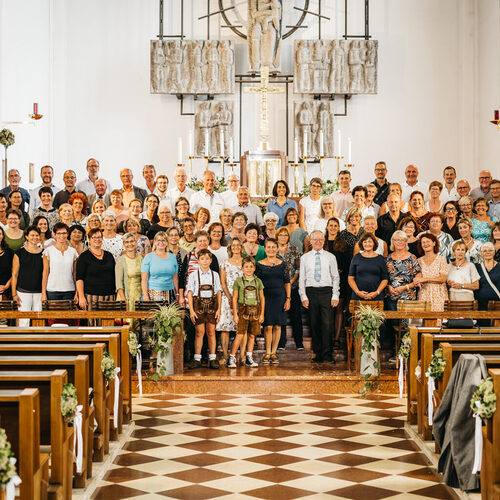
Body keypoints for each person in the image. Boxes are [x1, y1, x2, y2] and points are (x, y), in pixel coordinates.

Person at [299, 230, 340, 364]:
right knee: (314, 324)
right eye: (315, 239)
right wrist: (303, 296)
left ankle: (328, 354)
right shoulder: (305, 258)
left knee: (327, 324)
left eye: (320, 239)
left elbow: (335, 277)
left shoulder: (330, 257)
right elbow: (302, 278)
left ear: (324, 241)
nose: (318, 242)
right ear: (310, 241)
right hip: (311, 292)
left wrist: (335, 295)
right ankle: (317, 354)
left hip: (326, 292)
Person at [385, 230, 422, 350]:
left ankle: (405, 352)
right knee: (394, 325)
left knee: (406, 327)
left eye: (402, 240)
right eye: (397, 240)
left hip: (408, 297)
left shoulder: (412, 258)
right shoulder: (388, 258)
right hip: (392, 296)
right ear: (393, 242)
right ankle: (395, 352)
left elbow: (418, 277)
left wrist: (405, 287)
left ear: (406, 242)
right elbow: (384, 277)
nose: (399, 242)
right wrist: (389, 287)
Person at [256, 238, 290, 365]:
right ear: (265, 249)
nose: (271, 249)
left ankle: (274, 353)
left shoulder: (283, 264)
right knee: (268, 325)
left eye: (273, 247)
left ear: (277, 249)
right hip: (265, 298)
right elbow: (256, 284)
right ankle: (267, 352)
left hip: (280, 297)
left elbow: (287, 283)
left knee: (277, 325)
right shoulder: (259, 264)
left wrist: (288, 299)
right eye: (268, 247)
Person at [186, 249, 222, 370]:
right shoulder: (193, 275)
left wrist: (219, 309)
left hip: (212, 306)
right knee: (199, 332)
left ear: (211, 260)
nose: (205, 261)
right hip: (198, 306)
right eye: (202, 259)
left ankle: (212, 358)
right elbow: (190, 293)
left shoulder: (215, 275)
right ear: (198, 261)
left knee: (211, 332)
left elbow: (218, 293)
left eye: (207, 259)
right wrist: (191, 310)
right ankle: (197, 358)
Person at [228, 256, 264, 368]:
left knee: (252, 335)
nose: (249, 269)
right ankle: (232, 357)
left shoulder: (258, 281)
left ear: (254, 268)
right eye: (246, 267)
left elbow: (262, 298)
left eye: (251, 267)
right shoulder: (238, 282)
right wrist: (235, 313)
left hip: (255, 310)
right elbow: (234, 298)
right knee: (240, 335)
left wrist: (262, 314)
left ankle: (249, 357)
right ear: (242, 268)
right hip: (243, 309)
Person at [324, 217, 351, 346]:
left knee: (338, 309)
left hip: (340, 280)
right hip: (324, 281)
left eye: (335, 225)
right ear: (327, 227)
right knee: (327, 310)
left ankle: (336, 338)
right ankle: (327, 338)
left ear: (339, 228)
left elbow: (347, 263)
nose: (333, 228)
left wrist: (339, 271)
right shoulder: (322, 242)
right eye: (331, 225)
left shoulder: (343, 243)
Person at [276, 227, 303, 350]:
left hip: (292, 286)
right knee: (281, 316)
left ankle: (299, 343)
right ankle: (281, 343)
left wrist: (291, 281)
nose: (282, 237)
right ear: (277, 236)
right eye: (280, 235)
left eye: (285, 235)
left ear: (288, 237)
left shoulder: (294, 249)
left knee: (296, 316)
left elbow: (298, 268)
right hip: (278, 288)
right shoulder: (273, 249)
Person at [217, 238, 244, 364]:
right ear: (230, 248)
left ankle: (242, 355)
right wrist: (229, 297)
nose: (236, 247)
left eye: (238, 245)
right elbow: (222, 282)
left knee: (242, 327)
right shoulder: (225, 263)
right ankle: (225, 354)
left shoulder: (246, 262)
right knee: (225, 327)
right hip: (227, 297)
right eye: (233, 245)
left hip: (243, 298)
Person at [76, 228, 116, 309]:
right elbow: (79, 278)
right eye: (94, 237)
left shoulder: (109, 255)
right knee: (93, 321)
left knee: (109, 321)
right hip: (91, 297)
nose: (97, 240)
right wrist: (81, 296)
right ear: (89, 240)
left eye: (99, 237)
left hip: (110, 296)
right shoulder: (84, 257)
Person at [11, 226, 43, 326]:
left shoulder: (44, 252)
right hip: (22, 292)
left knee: (38, 320)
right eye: (32, 235)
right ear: (27, 237)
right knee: (23, 320)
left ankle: (38, 341)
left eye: (37, 235)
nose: (35, 237)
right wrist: (14, 294)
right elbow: (14, 274)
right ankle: (23, 341)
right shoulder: (19, 253)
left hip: (39, 292)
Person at [41, 222, 78, 301]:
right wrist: (43, 293)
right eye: (59, 233)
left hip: (70, 290)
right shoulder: (48, 251)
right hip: (52, 290)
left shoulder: (73, 252)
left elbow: (75, 273)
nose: (62, 236)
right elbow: (45, 273)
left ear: (67, 234)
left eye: (64, 233)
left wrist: (77, 292)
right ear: (54, 234)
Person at [348, 233, 388, 301]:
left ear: (374, 243)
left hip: (376, 297)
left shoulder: (380, 259)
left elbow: (385, 279)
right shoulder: (356, 257)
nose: (367, 244)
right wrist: (358, 292)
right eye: (365, 242)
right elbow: (350, 278)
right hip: (358, 296)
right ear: (362, 244)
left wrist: (376, 292)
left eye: (370, 241)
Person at [414, 233, 448, 314]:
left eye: (428, 241)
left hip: (439, 295)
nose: (426, 244)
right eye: (423, 242)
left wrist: (425, 279)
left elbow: (443, 279)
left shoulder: (441, 259)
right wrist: (417, 281)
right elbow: (418, 278)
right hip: (424, 294)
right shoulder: (418, 261)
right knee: (423, 320)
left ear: (434, 243)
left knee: (439, 321)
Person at [140, 231, 178, 302]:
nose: (161, 242)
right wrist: (145, 296)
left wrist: (177, 294)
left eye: (164, 240)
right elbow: (144, 279)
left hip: (170, 293)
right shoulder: (148, 257)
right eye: (158, 240)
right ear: (154, 242)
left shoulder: (172, 257)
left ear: (167, 242)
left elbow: (175, 278)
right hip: (152, 293)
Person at [475, 242, 500, 310]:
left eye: (490, 250)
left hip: (497, 303)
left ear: (494, 252)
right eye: (485, 251)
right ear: (481, 253)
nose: (487, 252)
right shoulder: (477, 267)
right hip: (480, 304)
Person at [0, 227, 13, 300]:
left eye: (0, 234)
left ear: (3, 236)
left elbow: (14, 272)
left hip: (8, 291)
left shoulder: (9, 252)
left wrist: (6, 286)